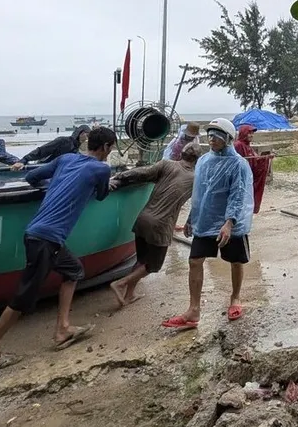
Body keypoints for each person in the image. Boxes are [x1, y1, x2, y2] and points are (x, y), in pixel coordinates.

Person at [0, 127, 117, 375]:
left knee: (74, 271)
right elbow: (102, 195)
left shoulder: (66, 159)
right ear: (105, 148)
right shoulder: (102, 169)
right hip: (45, 240)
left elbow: (32, 178)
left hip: (42, 236)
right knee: (22, 299)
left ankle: (63, 329)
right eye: (111, 148)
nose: (110, 152)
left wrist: (59, 183)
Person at [162, 119, 253, 330]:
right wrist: (192, 217)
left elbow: (238, 195)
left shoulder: (238, 164)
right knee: (194, 261)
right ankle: (193, 310)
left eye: (217, 135)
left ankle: (235, 298)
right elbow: (199, 193)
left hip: (230, 223)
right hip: (206, 220)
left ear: (228, 138)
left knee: (235, 261)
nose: (211, 139)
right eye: (210, 135)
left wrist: (229, 223)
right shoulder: (203, 161)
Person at [106, 142, 201, 309]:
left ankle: (129, 295)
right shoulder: (196, 179)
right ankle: (121, 283)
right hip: (161, 225)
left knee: (141, 259)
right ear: (197, 160)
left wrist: (118, 177)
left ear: (181, 154)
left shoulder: (166, 165)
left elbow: (141, 173)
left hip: (143, 219)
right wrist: (189, 222)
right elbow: (198, 204)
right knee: (153, 265)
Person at [234, 124, 272, 214]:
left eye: (252, 133)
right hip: (240, 180)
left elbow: (256, 161)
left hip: (248, 179)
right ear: (243, 133)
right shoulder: (238, 145)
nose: (251, 135)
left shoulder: (248, 147)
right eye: (249, 133)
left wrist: (266, 158)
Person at [13, 125, 90, 169]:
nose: (88, 138)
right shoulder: (63, 141)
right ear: (81, 133)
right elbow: (42, 150)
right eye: (87, 135)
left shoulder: (76, 148)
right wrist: (24, 160)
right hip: (44, 168)